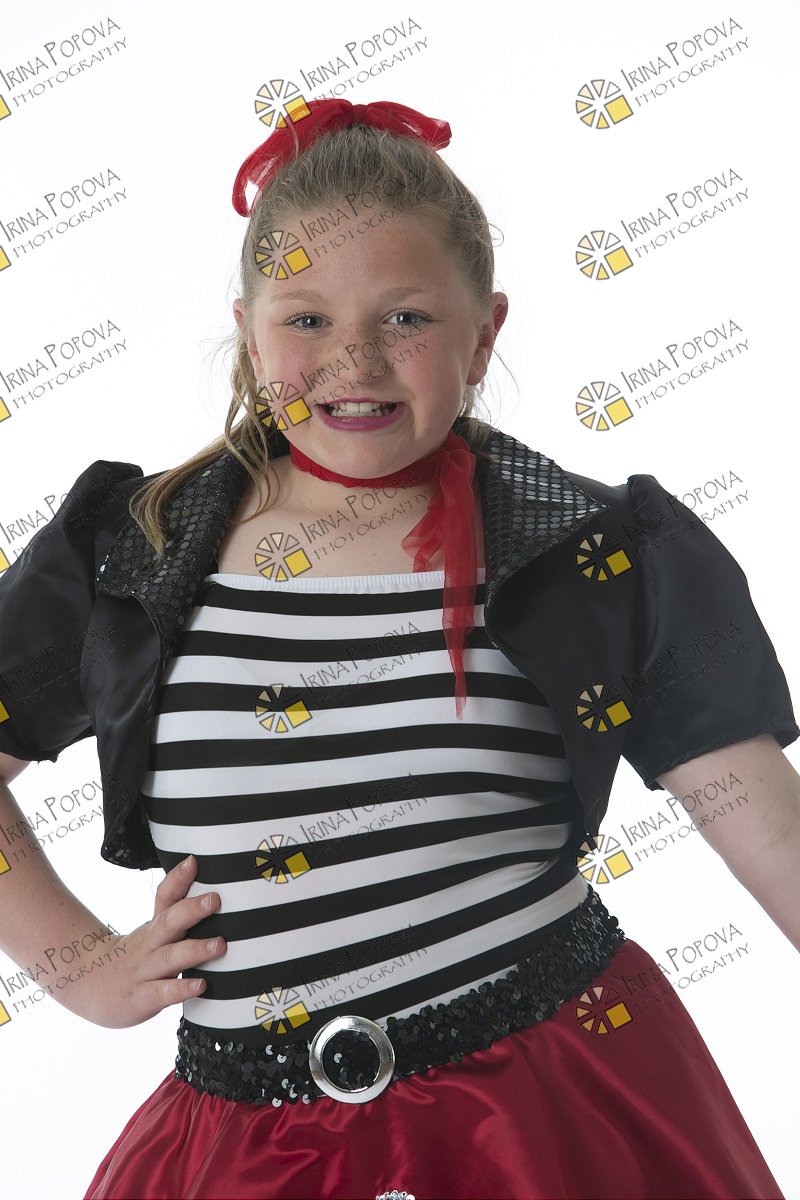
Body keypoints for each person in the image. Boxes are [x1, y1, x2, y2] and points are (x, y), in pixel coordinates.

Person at [0, 98, 797, 1200]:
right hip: (246, 1144)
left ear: (486, 331)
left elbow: (769, 830)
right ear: (249, 332)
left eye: (408, 317)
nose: (356, 358)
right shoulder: (129, 553)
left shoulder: (592, 549)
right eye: (307, 319)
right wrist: (82, 968)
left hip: (553, 1113)